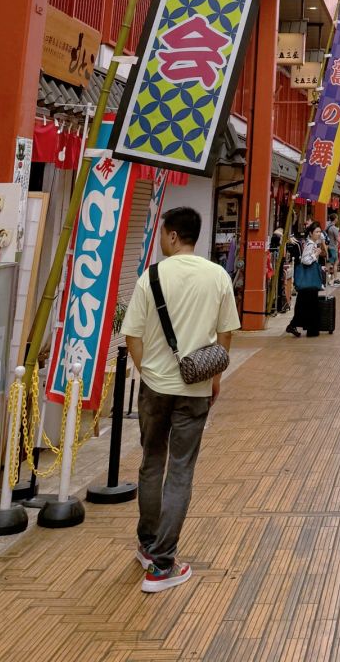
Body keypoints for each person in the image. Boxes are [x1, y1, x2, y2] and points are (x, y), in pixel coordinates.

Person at [122, 205, 239, 593]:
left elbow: (132, 337)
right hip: (195, 389)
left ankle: (147, 543)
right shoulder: (218, 276)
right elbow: (225, 338)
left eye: (162, 234)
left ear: (172, 236)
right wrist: (215, 378)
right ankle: (162, 563)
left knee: (151, 462)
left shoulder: (150, 277)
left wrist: (148, 372)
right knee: (181, 469)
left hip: (155, 388)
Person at [287, 223, 327, 337]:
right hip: (309, 281)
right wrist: (315, 254)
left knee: (304, 305)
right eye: (316, 232)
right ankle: (308, 328)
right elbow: (305, 261)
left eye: (320, 232)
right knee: (309, 305)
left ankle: (296, 326)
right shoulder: (310, 244)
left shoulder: (312, 243)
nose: (318, 234)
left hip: (308, 282)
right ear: (310, 233)